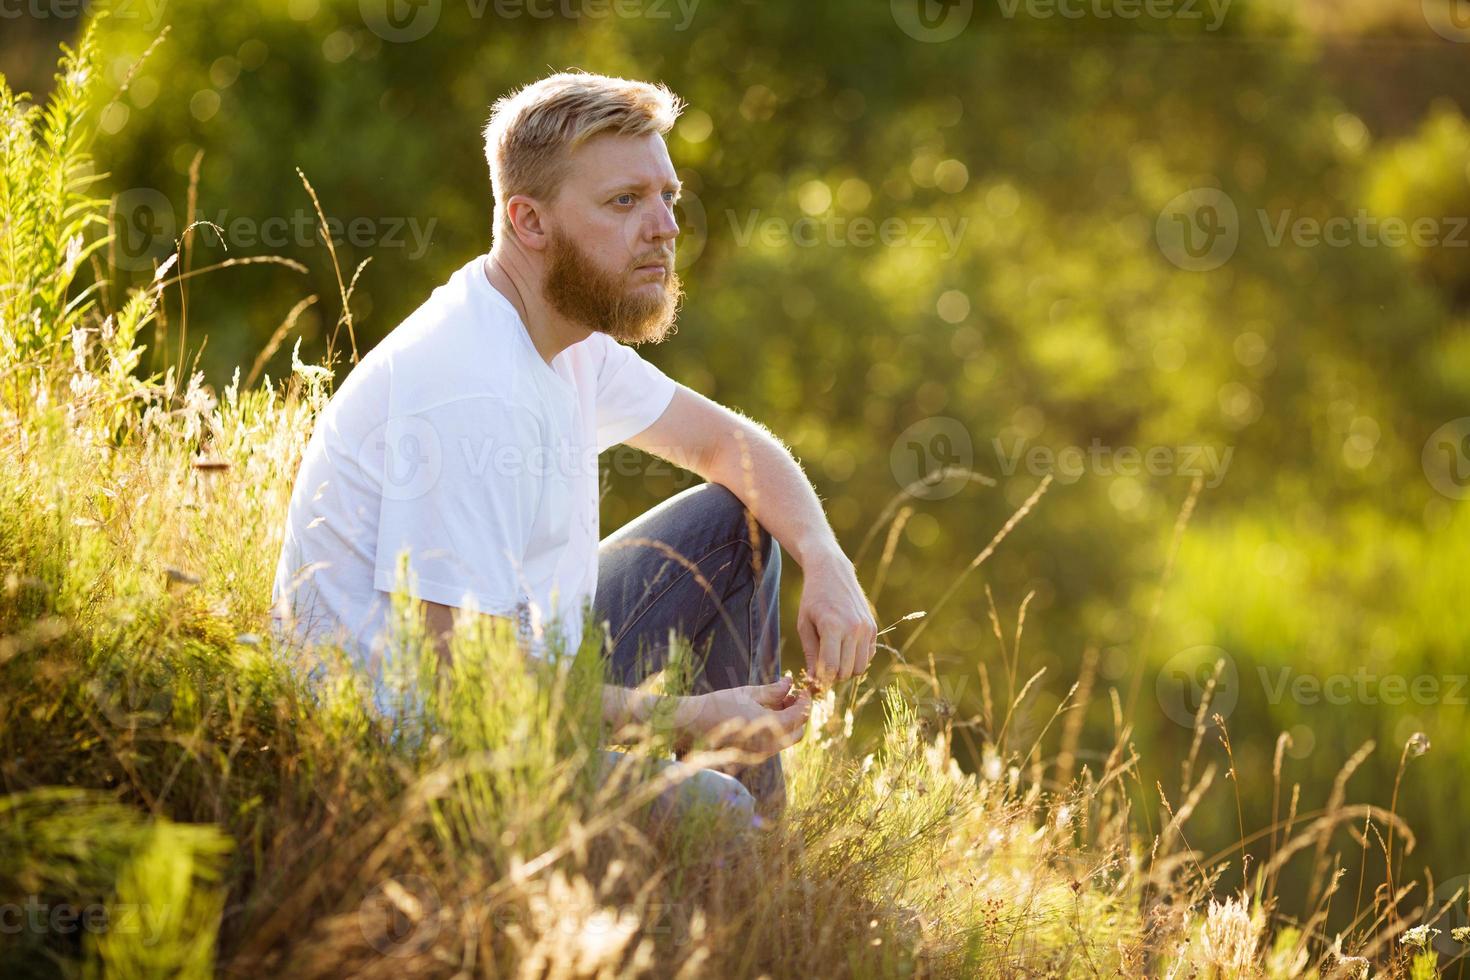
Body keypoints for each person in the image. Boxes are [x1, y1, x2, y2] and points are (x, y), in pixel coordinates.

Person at [270, 70, 878, 821]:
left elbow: (728, 444)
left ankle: (764, 842)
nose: (665, 227)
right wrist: (688, 720)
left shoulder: (564, 336)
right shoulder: (466, 387)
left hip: (520, 674)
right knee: (710, 813)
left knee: (741, 527)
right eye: (625, 201)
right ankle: (742, 838)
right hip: (420, 765)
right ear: (530, 222)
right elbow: (472, 688)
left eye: (667, 197)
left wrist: (825, 558)